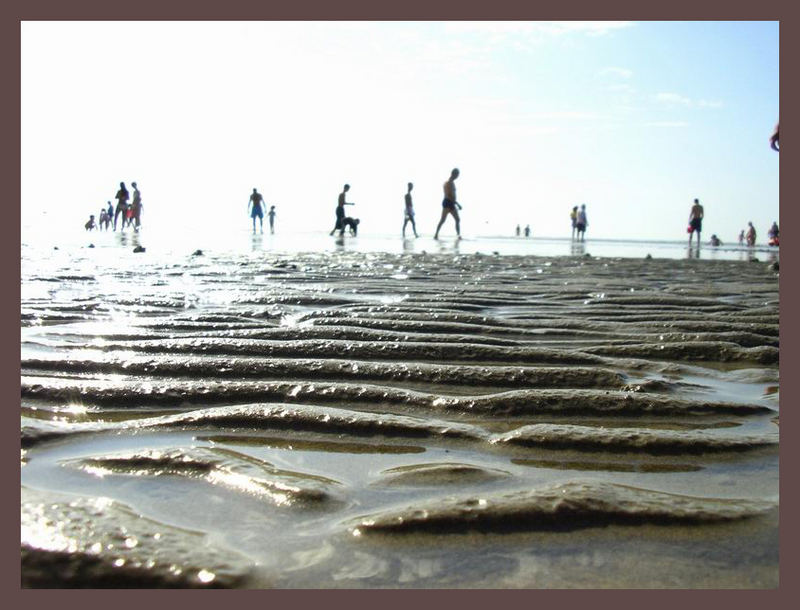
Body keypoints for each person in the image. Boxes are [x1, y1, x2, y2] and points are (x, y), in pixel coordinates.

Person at [434, 168, 462, 239]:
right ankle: (436, 234)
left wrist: (455, 203)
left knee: (455, 219)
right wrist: (457, 204)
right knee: (445, 220)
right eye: (457, 175)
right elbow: (449, 195)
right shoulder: (448, 183)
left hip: (449, 202)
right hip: (448, 202)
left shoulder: (450, 182)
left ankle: (458, 235)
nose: (458, 176)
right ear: (454, 174)